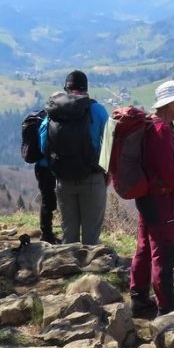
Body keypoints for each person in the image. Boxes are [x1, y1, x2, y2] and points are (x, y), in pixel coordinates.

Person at [129, 79, 174, 317]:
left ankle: (139, 299)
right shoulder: (161, 131)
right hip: (161, 204)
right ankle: (167, 308)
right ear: (169, 103)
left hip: (147, 199)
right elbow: (167, 175)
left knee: (144, 249)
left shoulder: (154, 126)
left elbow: (164, 165)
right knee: (163, 253)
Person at [49, 70, 110, 245]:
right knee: (91, 236)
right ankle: (89, 270)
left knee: (69, 233)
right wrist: (107, 173)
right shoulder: (97, 110)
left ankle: (69, 267)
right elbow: (109, 144)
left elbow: (42, 141)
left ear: (66, 88)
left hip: (62, 179)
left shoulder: (55, 110)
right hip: (92, 178)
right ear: (86, 88)